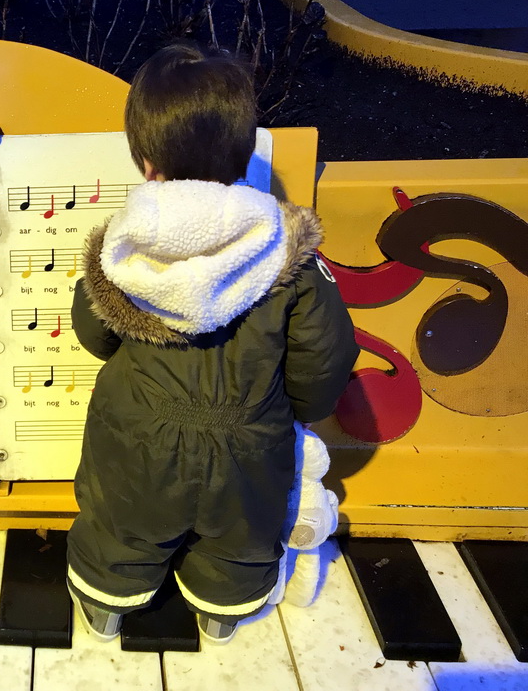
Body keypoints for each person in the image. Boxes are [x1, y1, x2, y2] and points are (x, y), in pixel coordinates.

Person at [66, 43, 359, 645]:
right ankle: (223, 611)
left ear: (145, 162)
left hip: (136, 437)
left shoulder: (118, 249)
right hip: (249, 443)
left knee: (118, 524)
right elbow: (325, 359)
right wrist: (290, 415)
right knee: (240, 538)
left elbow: (93, 334)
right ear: (246, 151)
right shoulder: (290, 254)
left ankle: (107, 604)